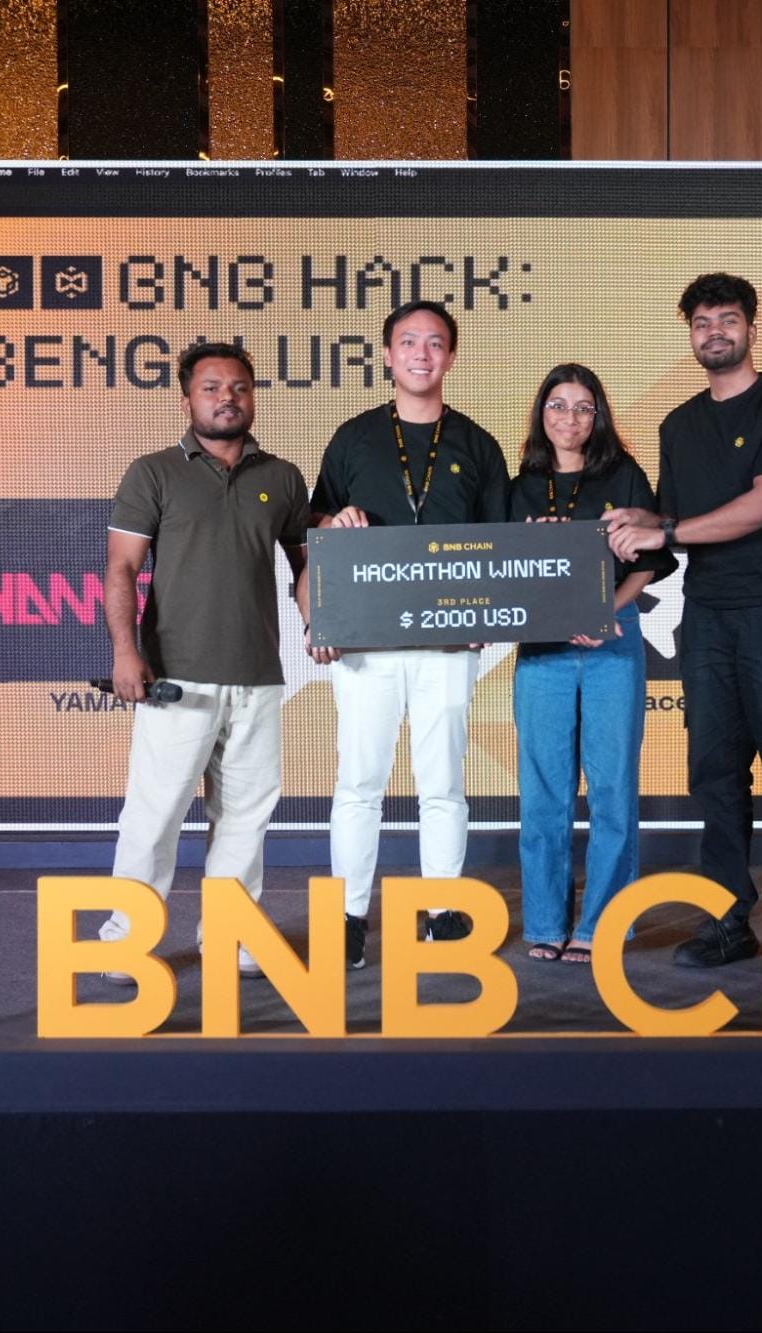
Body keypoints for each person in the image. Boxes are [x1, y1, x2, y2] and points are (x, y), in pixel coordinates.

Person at [607, 274, 762, 968]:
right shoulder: (678, 425)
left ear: (751, 328)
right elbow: (679, 522)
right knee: (713, 769)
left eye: (727, 320)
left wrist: (665, 529)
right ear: (690, 336)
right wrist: (638, 521)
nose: (714, 333)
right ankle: (729, 916)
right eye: (701, 323)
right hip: (707, 615)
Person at [305, 300, 511, 970]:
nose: (422, 354)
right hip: (365, 644)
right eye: (409, 342)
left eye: (435, 343)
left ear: (451, 356)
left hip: (447, 644)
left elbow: (499, 545)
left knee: (443, 782)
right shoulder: (354, 438)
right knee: (358, 782)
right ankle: (348, 917)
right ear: (388, 355)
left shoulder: (477, 445)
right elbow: (315, 533)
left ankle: (443, 910)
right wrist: (333, 528)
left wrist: (484, 617)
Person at [101, 341, 311, 978]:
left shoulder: (282, 477)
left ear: (254, 397)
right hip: (175, 677)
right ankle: (125, 939)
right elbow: (121, 568)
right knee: (155, 814)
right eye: (212, 387)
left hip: (258, 676)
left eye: (240, 387)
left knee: (246, 817)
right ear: (187, 398)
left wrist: (321, 624)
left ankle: (232, 934)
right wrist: (125, 652)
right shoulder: (154, 472)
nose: (227, 398)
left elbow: (307, 568)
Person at [508, 365, 674, 963]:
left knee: (611, 789)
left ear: (598, 416)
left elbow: (651, 561)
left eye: (583, 407)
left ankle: (604, 922)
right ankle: (545, 921)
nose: (569, 418)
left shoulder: (624, 476)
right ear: (541, 413)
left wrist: (606, 610)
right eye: (558, 404)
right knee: (543, 792)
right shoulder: (520, 487)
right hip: (543, 651)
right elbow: (502, 571)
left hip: (613, 644)